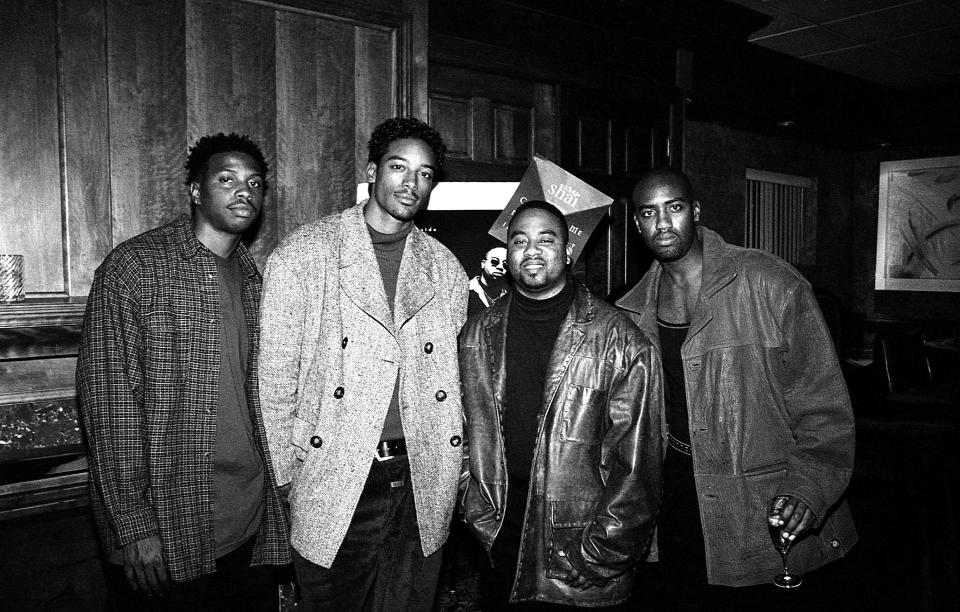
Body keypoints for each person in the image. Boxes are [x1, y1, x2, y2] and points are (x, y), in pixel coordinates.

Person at [616, 167, 858, 610]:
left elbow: (824, 406)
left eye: (675, 208)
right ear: (636, 224)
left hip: (763, 502)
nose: (663, 223)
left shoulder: (770, 282)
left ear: (696, 211)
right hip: (672, 504)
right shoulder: (630, 310)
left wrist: (809, 486)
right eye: (649, 213)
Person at [258, 117, 468, 611]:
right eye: (399, 167)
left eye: (425, 173)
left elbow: (457, 375)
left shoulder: (444, 267)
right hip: (337, 474)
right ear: (373, 171)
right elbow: (274, 376)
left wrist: (456, 462)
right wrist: (289, 475)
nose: (411, 183)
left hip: (424, 474)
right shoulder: (307, 252)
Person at [77, 133, 290, 611]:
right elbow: (109, 404)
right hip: (168, 519)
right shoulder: (135, 267)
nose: (244, 192)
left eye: (255, 183)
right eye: (227, 179)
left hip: (247, 516)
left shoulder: (256, 280)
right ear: (196, 191)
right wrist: (134, 524)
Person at [458, 200, 663, 609]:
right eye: (519, 241)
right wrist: (477, 513)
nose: (531, 250)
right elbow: (461, 434)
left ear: (568, 251)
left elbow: (639, 464)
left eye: (545, 240)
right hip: (500, 540)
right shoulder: (477, 333)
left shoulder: (620, 339)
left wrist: (600, 554)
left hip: (581, 553)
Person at [467, 244, 508, 315]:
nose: (500, 267)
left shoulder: (509, 297)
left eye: (505, 264)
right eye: (494, 262)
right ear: (483, 264)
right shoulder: (466, 289)